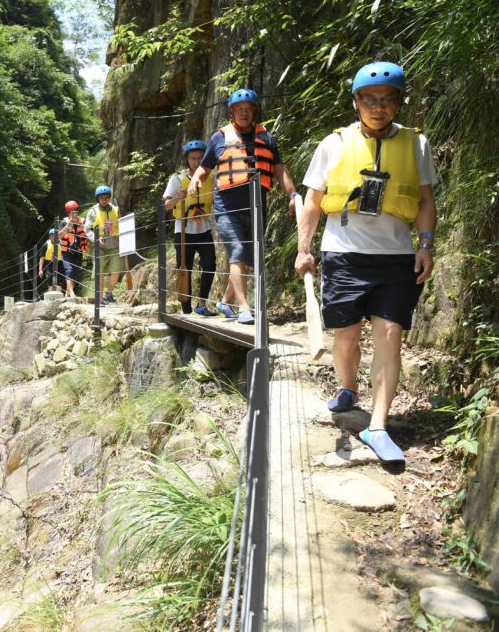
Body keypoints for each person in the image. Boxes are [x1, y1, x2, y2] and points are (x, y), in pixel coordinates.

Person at [295, 61, 436, 464]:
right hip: (343, 253)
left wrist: (425, 244)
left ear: (398, 103)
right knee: (347, 336)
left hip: (395, 257)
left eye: (388, 100)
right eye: (370, 99)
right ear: (356, 102)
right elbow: (313, 201)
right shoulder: (334, 143)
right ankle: (347, 388)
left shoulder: (415, 144)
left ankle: (377, 425)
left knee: (390, 336)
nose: (379, 107)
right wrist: (304, 249)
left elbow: (425, 200)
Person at [187, 88, 298, 324]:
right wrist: (196, 178)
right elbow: (205, 167)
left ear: (255, 111)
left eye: (248, 109)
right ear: (232, 113)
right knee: (237, 254)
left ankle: (224, 302)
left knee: (246, 260)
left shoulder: (266, 138)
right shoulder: (219, 138)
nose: (244, 113)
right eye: (239, 110)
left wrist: (292, 194)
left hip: (257, 207)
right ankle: (245, 308)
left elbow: (279, 169)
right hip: (228, 208)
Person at [163, 140, 217, 316]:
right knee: (184, 267)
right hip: (184, 230)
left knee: (209, 264)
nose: (197, 162)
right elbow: (165, 206)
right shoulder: (177, 179)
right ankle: (186, 308)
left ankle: (201, 304)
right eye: (193, 158)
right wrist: (177, 199)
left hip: (205, 229)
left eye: (201, 158)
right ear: (187, 159)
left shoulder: (211, 179)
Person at [83, 185, 122, 306]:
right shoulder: (93, 211)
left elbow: (122, 224)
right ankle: (99, 299)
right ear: (98, 198)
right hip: (99, 247)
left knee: (116, 271)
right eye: (101, 197)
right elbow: (87, 229)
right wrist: (95, 238)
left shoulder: (116, 209)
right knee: (100, 273)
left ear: (109, 198)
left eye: (106, 197)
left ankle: (109, 293)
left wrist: (119, 234)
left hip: (114, 244)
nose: (104, 200)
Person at [58, 201, 88, 299]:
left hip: (78, 251)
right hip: (66, 251)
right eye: (71, 211)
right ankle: (72, 294)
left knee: (76, 271)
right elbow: (58, 236)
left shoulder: (83, 221)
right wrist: (67, 227)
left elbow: (88, 233)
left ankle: (67, 293)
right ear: (68, 212)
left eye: (75, 211)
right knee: (69, 270)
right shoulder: (64, 222)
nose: (74, 213)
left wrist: (82, 226)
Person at [38, 228, 62, 292]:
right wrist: (40, 270)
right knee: (50, 282)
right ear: (50, 236)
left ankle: (59, 296)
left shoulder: (61, 243)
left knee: (59, 282)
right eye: (52, 236)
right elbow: (42, 258)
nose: (54, 237)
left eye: (55, 235)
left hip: (59, 263)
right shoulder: (46, 244)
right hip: (49, 264)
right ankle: (50, 297)